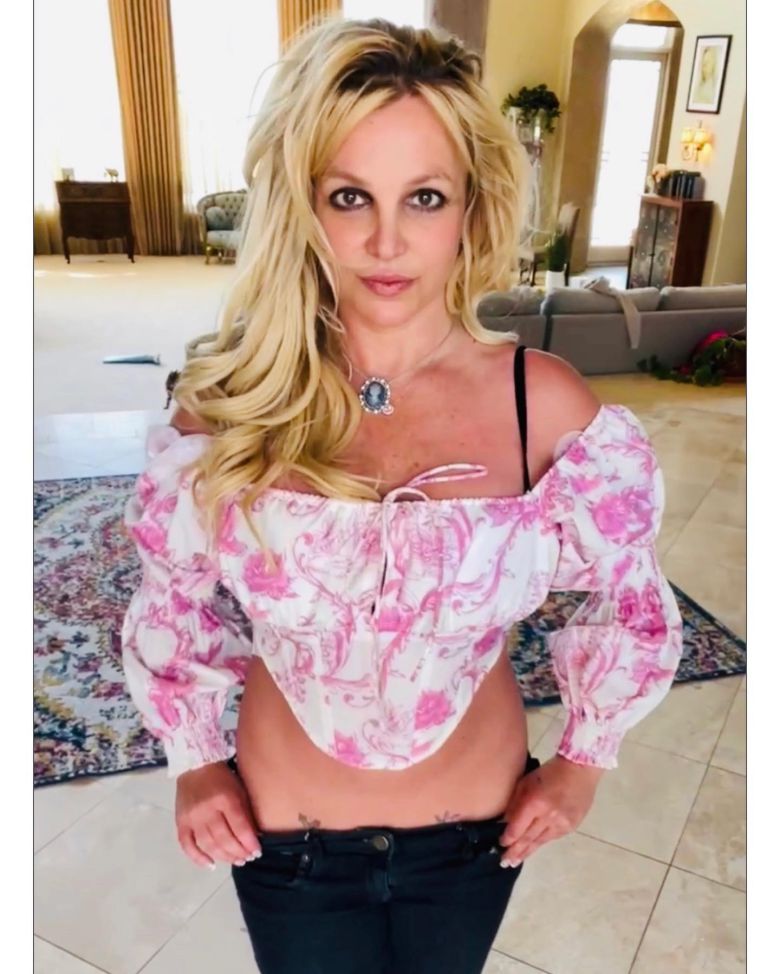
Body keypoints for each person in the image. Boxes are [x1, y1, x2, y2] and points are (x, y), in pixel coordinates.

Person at [121, 16, 684, 974]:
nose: (387, 240)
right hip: (284, 839)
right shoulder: (226, 410)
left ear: (471, 207)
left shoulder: (542, 407)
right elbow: (169, 602)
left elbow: (631, 602)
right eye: (351, 196)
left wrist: (585, 763)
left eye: (425, 197)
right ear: (304, 205)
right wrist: (194, 761)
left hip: (474, 838)